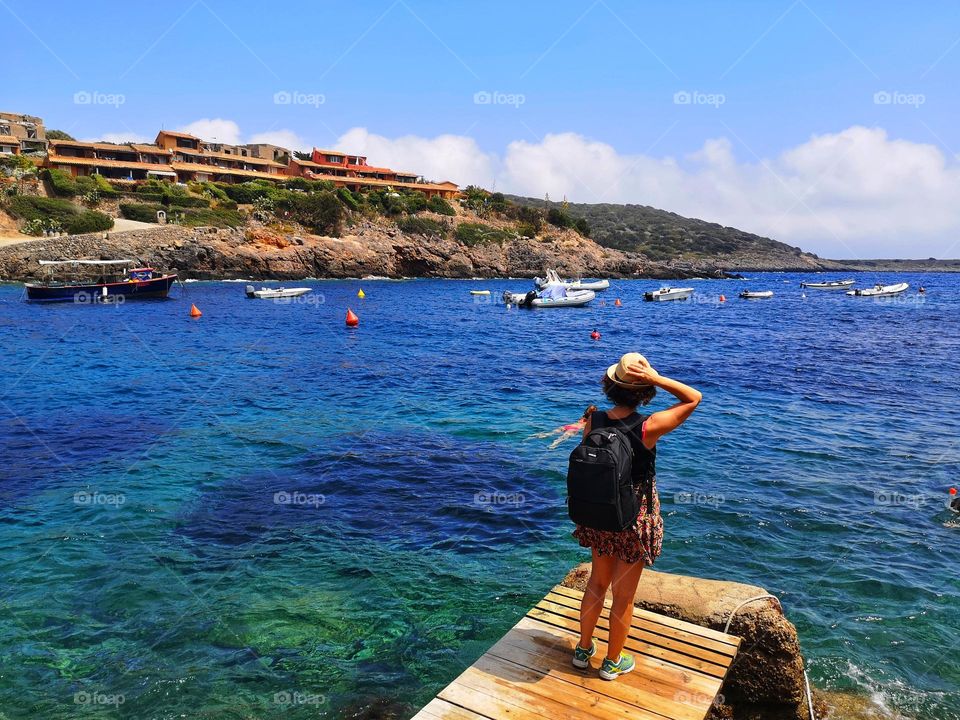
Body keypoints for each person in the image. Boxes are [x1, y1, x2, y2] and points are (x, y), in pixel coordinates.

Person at [572, 352, 702, 680]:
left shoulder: (594, 420)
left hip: (600, 515)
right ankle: (612, 662)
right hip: (634, 520)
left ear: (610, 385)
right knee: (624, 595)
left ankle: (583, 649)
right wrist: (656, 378)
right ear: (643, 392)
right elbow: (693, 398)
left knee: (597, 583)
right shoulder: (649, 426)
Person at [531, 405, 598, 449]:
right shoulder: (591, 420)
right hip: (575, 429)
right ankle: (552, 446)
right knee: (561, 439)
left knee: (550, 433)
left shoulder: (582, 417)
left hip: (567, 426)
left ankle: (536, 436)